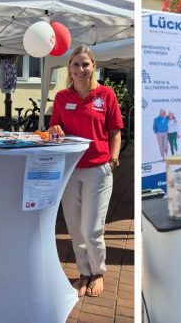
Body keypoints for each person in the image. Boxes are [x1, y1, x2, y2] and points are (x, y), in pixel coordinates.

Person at [48, 45, 123, 298]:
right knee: (74, 226)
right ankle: (84, 272)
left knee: (92, 228)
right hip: (70, 169)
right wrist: (55, 129)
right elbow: (54, 127)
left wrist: (112, 159)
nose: (81, 69)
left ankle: (98, 271)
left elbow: (115, 131)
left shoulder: (105, 94)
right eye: (76, 64)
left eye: (85, 64)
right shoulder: (61, 97)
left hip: (98, 169)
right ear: (69, 68)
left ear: (94, 66)